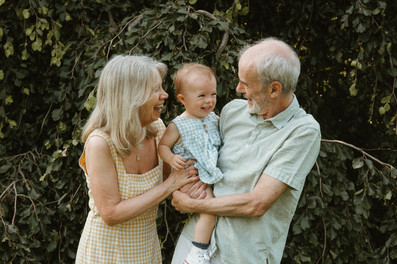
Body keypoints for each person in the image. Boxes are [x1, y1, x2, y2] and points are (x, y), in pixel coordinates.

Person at [171, 37, 322, 264]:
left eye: (246, 83)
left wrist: (192, 205)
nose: (238, 89)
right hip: (194, 244)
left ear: (274, 89)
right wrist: (179, 187)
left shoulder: (302, 131)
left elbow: (257, 203)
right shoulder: (232, 111)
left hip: (241, 255)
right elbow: (193, 152)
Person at [75, 55, 200, 264]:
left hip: (146, 251)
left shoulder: (158, 129)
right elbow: (111, 214)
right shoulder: (100, 143)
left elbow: (177, 181)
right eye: (155, 90)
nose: (165, 95)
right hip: (105, 254)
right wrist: (169, 186)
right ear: (130, 96)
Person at [159, 63, 223, 264]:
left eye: (212, 94)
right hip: (190, 176)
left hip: (206, 173)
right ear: (182, 99)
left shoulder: (213, 118)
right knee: (210, 209)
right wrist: (171, 158)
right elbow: (162, 147)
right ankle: (198, 253)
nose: (209, 101)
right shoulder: (178, 125)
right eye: (201, 96)